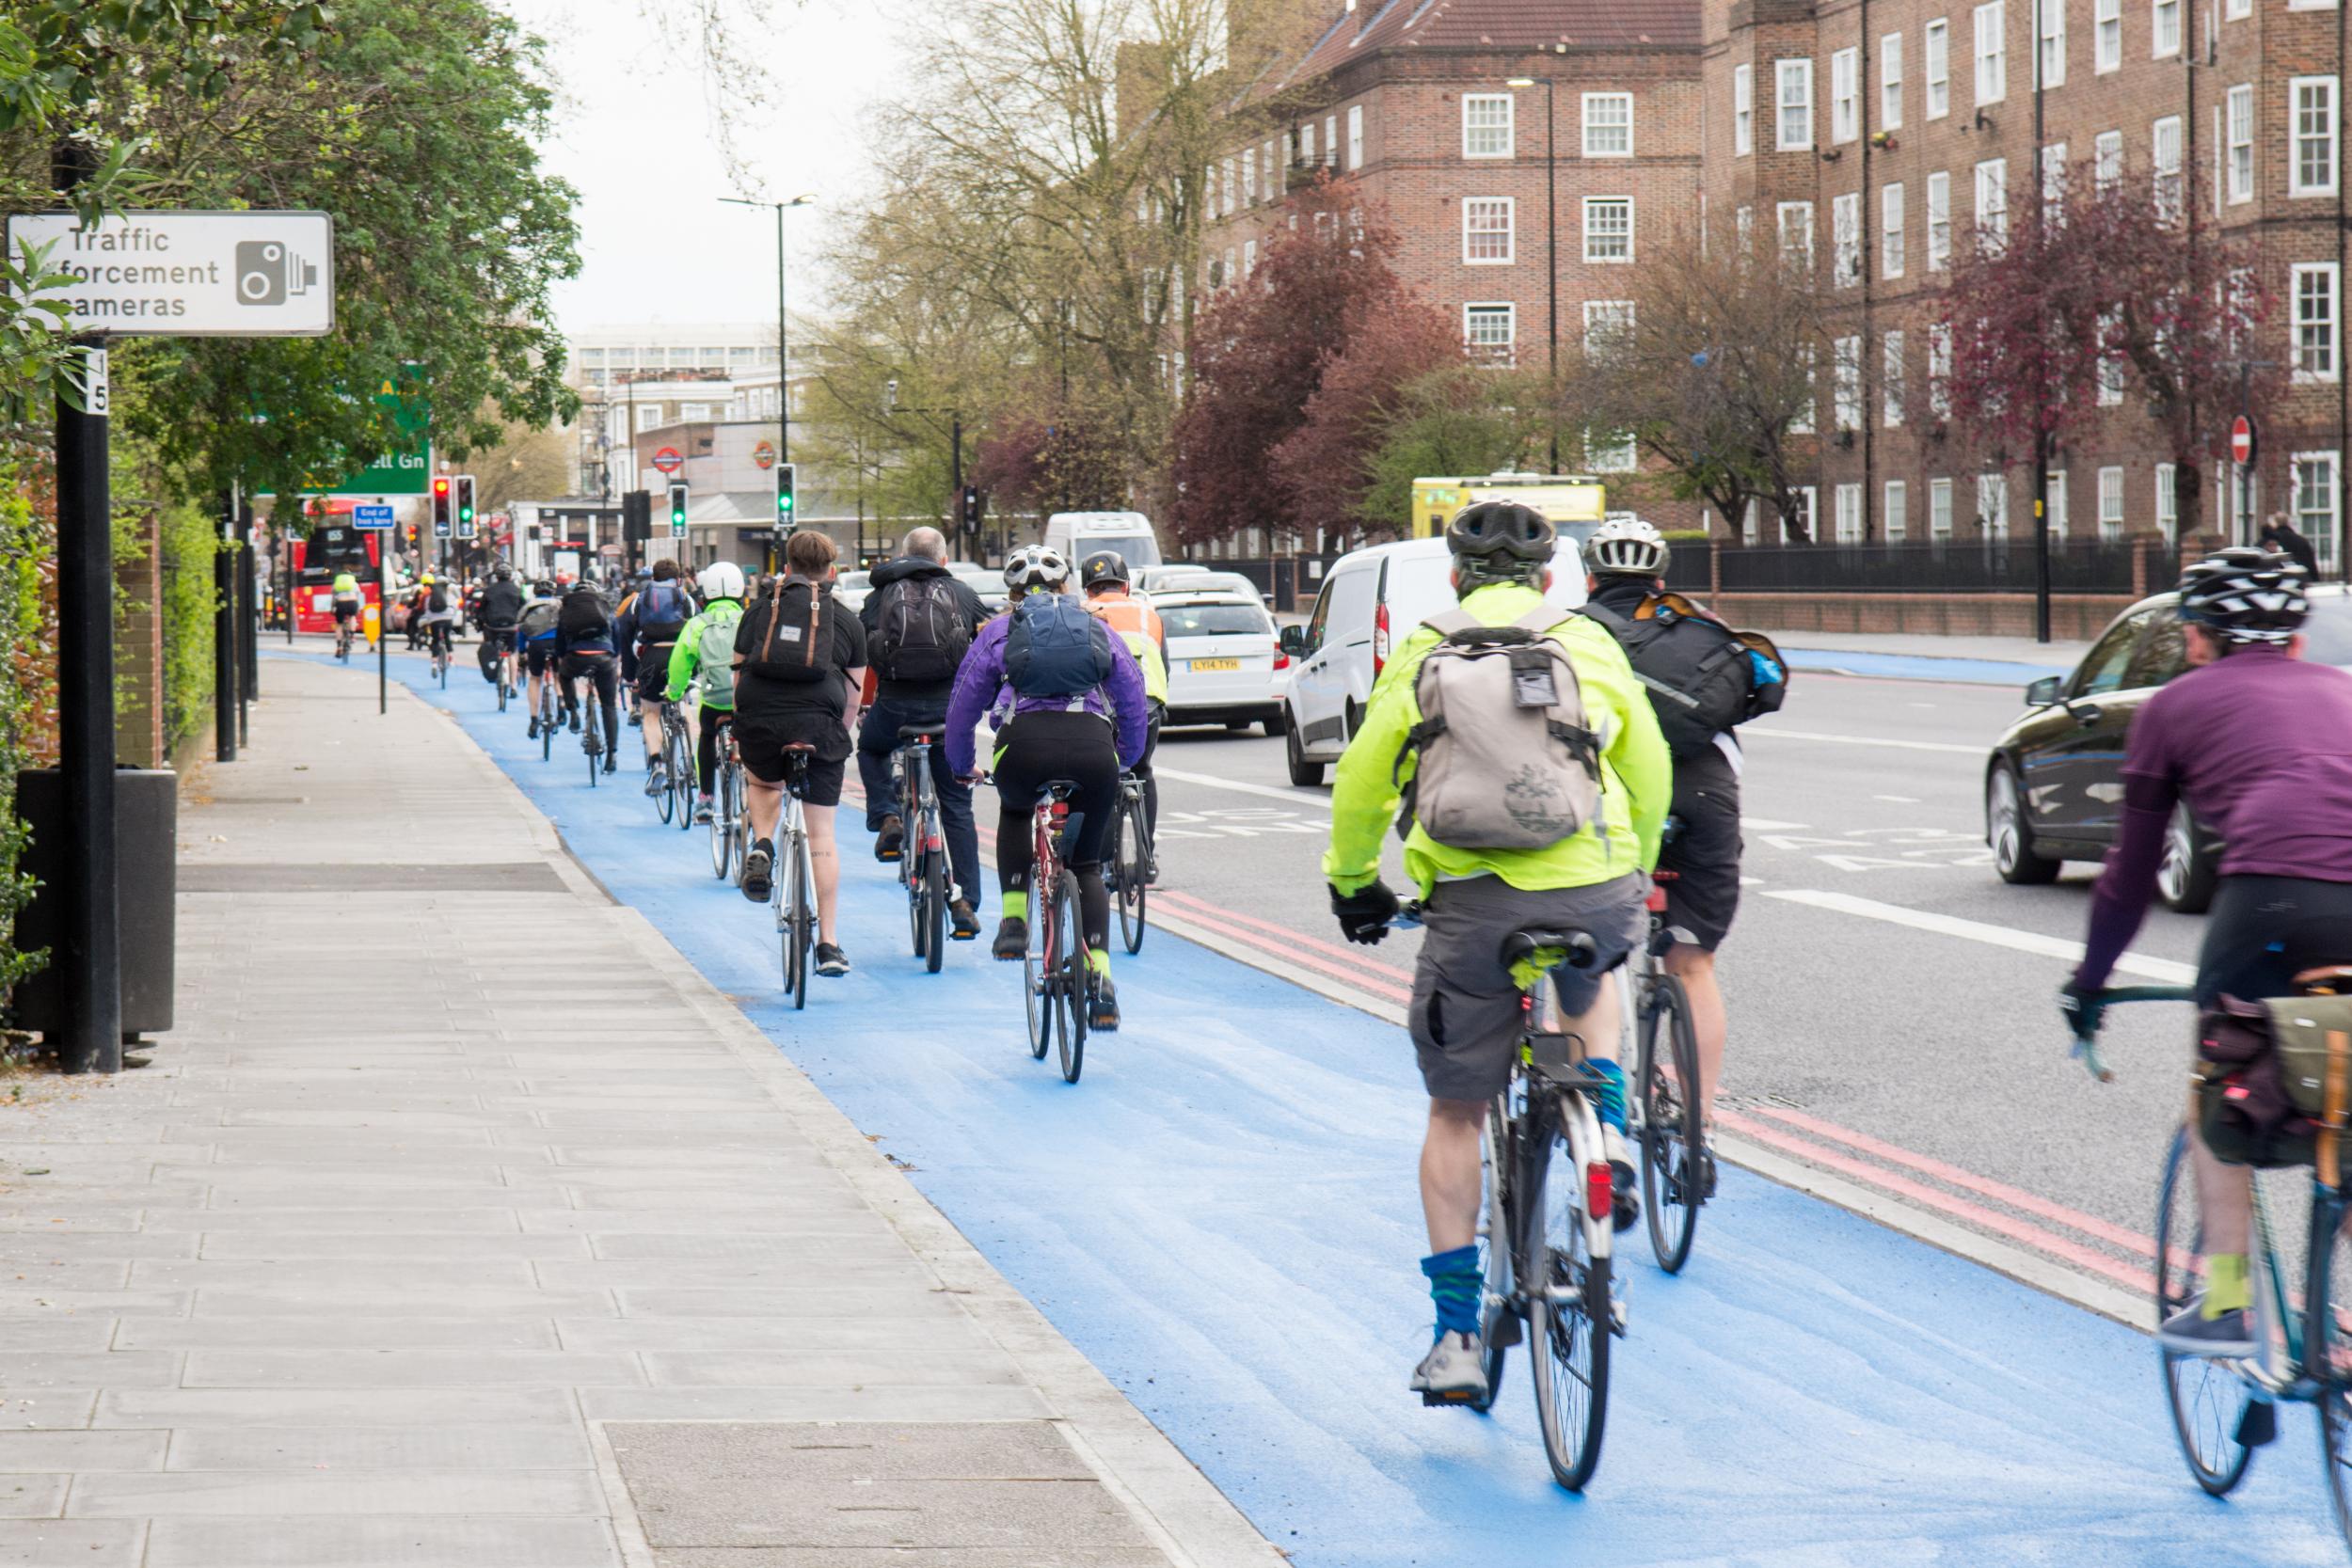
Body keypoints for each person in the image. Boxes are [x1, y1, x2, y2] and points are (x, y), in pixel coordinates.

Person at [1321, 500, 1669, 1405]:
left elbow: (1364, 775)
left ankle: (1455, 1337)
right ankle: (1613, 1140)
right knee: (1593, 974)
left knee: (1455, 1112)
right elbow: (1650, 760)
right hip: (1593, 883)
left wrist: (1354, 877)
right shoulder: (1589, 644)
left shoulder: (1426, 648)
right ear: (1550, 576)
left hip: (1473, 905)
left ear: (1458, 576)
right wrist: (1638, 857)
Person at [2065, 546, 2352, 1356]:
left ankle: (2228, 1302)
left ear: (2197, 638)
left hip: (2272, 904)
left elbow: (2128, 875)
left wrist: (2090, 984)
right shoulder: (2346, 691)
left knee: (2217, 1089)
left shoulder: (2175, 705)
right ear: (2297, 637)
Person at [1578, 515, 1787, 1185]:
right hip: (1703, 798)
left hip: (1609, 799)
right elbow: (1763, 686)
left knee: (1590, 958)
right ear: (1661, 580)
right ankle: (1697, 1131)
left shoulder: (1571, 634)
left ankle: (1601, 1126)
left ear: (1589, 579)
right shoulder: (1699, 625)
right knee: (1693, 965)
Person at [945, 546, 1149, 1032]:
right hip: (1093, 748)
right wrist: (1128, 757)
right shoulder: (1095, 627)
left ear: (1012, 593)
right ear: (1065, 588)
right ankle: (1100, 984)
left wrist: (960, 765)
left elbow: (963, 704)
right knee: (1087, 869)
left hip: (1025, 746)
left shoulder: (998, 631)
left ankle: (1014, 922)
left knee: (1016, 809)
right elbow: (1133, 693)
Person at [732, 530, 866, 978]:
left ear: (785, 568)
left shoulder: (758, 612)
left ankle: (764, 843)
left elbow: (737, 682)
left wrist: (744, 724)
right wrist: (836, 736)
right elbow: (854, 695)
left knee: (764, 780)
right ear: (831, 572)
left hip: (760, 715)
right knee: (822, 835)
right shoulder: (846, 620)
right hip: (818, 725)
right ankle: (828, 944)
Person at [858, 527, 990, 941]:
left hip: (895, 706)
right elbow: (985, 645)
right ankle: (966, 900)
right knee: (955, 805)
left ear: (902, 554)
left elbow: (867, 651)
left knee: (870, 748)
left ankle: (888, 816)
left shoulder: (879, 594)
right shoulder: (962, 593)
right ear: (943, 560)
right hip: (950, 711)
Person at [1078, 550, 1169, 880]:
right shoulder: (1149, 613)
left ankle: (1102, 862)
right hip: (1149, 703)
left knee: (1104, 780)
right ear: (1126, 585)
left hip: (1108, 706)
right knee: (1143, 771)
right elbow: (1164, 665)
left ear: (1088, 589)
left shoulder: (1087, 613)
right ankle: (1147, 856)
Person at [667, 562, 749, 825]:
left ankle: (706, 797)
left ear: (705, 596)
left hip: (714, 700)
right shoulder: (749, 619)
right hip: (744, 700)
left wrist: (674, 690)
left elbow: (679, 663)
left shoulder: (697, 624)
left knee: (707, 735)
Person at [617, 560, 696, 797]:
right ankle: (691, 761)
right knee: (684, 705)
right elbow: (698, 629)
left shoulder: (638, 600)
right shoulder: (686, 598)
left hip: (652, 656)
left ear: (653, 578)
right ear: (678, 578)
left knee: (650, 713)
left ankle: (658, 763)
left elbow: (626, 634)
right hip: (680, 657)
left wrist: (630, 676)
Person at [556, 574, 621, 771]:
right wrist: (614, 660)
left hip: (577, 656)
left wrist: (563, 659)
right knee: (609, 705)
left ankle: (573, 711)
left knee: (565, 676)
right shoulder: (605, 609)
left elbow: (560, 642)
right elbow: (617, 638)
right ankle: (611, 755)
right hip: (604, 658)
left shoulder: (567, 609)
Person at [476, 564, 525, 691]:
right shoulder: (516, 590)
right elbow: (524, 608)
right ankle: (514, 685)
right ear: (510, 576)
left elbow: (481, 611)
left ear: (496, 576)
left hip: (493, 627)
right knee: (512, 654)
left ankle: (497, 668)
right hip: (511, 627)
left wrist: (481, 625)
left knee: (493, 648)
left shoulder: (489, 590)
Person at [2260, 513, 2321, 580]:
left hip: (2275, 581)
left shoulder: (2268, 541)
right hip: (2299, 579)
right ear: (2287, 522)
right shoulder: (2301, 540)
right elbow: (2311, 565)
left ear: (2275, 523)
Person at [417, 572, 458, 664]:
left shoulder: (431, 594)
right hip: (448, 618)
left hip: (434, 620)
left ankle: (434, 663)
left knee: (435, 640)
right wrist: (452, 616)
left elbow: (427, 608)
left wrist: (427, 619)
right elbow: (455, 607)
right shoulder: (449, 594)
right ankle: (450, 656)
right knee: (447, 636)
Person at [329, 569, 364, 651]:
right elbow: (357, 595)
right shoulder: (354, 584)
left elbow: (333, 598)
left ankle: (339, 646)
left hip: (341, 603)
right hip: (352, 602)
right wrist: (358, 608)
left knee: (339, 624)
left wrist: (332, 608)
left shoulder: (336, 584)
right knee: (352, 617)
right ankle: (352, 636)